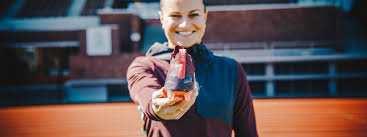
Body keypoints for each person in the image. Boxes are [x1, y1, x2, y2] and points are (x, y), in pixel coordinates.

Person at [127, 0, 258, 136]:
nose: (184, 25)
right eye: (175, 15)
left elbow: (248, 133)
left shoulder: (231, 69)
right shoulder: (145, 66)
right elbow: (146, 94)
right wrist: (157, 106)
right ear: (162, 18)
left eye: (193, 15)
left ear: (205, 16)